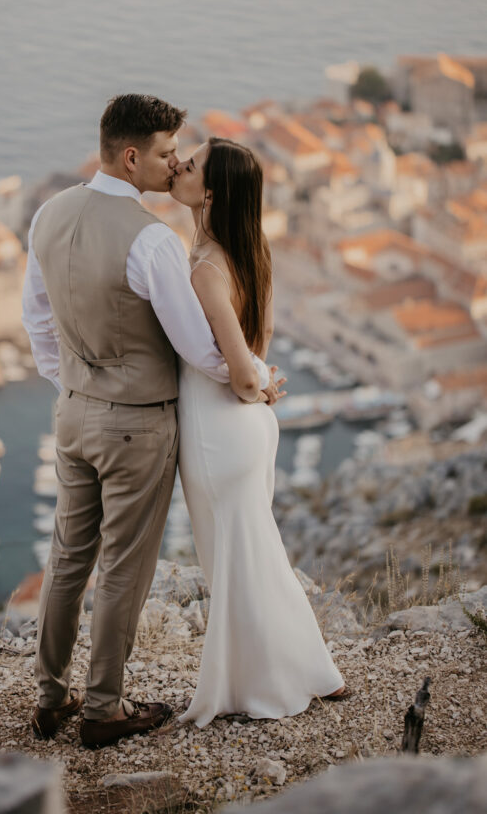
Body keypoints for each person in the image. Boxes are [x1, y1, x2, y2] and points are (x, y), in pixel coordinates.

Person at [21, 95, 282, 749]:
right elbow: (200, 349)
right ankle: (104, 708)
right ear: (132, 156)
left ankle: (52, 695)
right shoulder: (153, 241)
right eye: (167, 154)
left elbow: (38, 323)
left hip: (74, 415)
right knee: (123, 571)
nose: (173, 166)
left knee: (67, 558)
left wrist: (76, 387)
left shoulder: (48, 215)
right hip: (137, 425)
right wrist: (255, 376)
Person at [169, 137, 347, 727]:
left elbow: (243, 372)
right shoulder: (250, 252)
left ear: (211, 190)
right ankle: (307, 672)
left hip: (218, 429)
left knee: (233, 562)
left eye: (189, 166)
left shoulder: (205, 268)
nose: (178, 168)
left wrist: (257, 383)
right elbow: (258, 352)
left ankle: (260, 688)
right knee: (258, 556)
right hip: (247, 430)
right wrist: (263, 383)